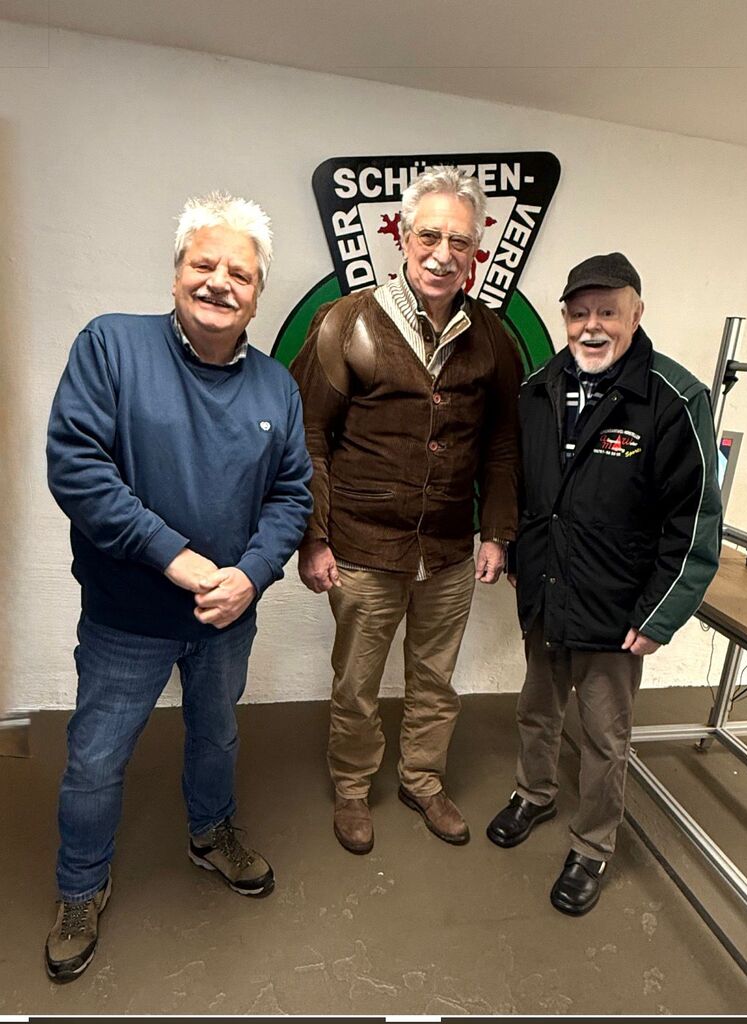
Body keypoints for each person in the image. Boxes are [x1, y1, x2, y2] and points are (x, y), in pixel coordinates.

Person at [44, 191, 313, 980]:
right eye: (205, 264)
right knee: (96, 759)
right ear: (175, 275)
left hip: (227, 617)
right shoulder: (111, 346)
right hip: (126, 616)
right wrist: (176, 557)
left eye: (241, 274)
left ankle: (210, 833)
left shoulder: (276, 387)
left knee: (217, 734)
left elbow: (292, 495)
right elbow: (77, 467)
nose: (220, 281)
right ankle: (80, 888)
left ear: (257, 296)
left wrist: (252, 576)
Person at [291, 166, 522, 854]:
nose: (443, 254)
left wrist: (496, 531)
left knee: (434, 680)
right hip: (361, 549)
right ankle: (353, 788)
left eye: (460, 241)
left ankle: (423, 780)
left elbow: (503, 443)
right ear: (401, 236)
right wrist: (313, 537)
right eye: (429, 236)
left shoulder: (492, 336)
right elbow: (308, 436)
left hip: (449, 550)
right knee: (357, 684)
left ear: (476, 252)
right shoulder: (346, 322)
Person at [486, 252, 721, 915]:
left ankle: (592, 844)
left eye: (608, 313)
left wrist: (660, 613)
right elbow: (522, 484)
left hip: (617, 607)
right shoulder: (537, 389)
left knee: (603, 735)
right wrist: (514, 551)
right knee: (537, 708)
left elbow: (694, 520)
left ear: (636, 314)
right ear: (565, 317)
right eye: (580, 313)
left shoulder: (674, 399)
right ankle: (534, 793)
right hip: (545, 591)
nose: (592, 327)